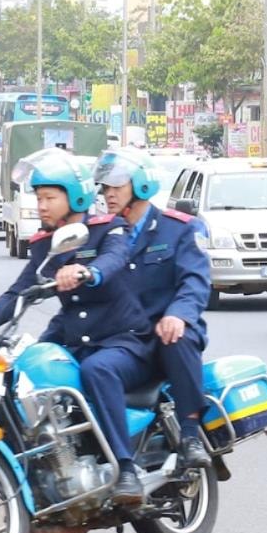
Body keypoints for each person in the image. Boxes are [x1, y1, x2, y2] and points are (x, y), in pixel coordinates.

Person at [0, 149, 149, 505]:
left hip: (123, 340)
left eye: (49, 198)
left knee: (97, 370)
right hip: (75, 337)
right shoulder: (45, 246)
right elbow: (18, 292)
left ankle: (126, 468)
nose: (41, 206)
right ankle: (48, 470)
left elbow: (115, 258)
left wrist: (90, 271)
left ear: (76, 196)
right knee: (24, 370)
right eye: (38, 198)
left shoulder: (108, 229)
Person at [93, 147, 215, 474]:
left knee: (176, 336)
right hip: (125, 341)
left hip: (166, 334)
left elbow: (195, 281)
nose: (109, 195)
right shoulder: (103, 233)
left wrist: (178, 314)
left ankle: (190, 434)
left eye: (117, 186)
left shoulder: (179, 229)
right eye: (105, 188)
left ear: (142, 185)